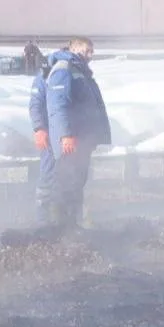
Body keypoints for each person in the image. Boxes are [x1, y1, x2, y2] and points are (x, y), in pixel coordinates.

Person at [44, 37, 111, 232]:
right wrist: (65, 135)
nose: (90, 55)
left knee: (77, 182)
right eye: (87, 51)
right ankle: (59, 228)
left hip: (82, 139)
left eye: (92, 51)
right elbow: (58, 105)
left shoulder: (80, 71)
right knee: (66, 182)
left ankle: (71, 224)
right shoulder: (64, 69)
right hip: (71, 140)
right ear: (74, 49)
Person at [28, 57, 54, 227]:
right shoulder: (45, 75)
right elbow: (35, 104)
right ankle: (42, 219)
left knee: (71, 176)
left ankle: (67, 217)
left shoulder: (77, 73)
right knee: (48, 173)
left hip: (70, 133)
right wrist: (39, 128)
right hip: (50, 132)